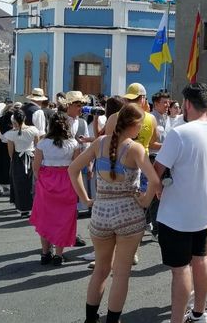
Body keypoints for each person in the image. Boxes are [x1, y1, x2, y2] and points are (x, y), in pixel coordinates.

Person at [68, 103, 160, 323]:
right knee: (121, 273)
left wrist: (86, 200)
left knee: (100, 269)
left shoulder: (99, 143)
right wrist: (145, 201)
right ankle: (112, 319)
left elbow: (72, 170)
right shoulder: (135, 148)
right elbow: (155, 181)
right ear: (134, 125)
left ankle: (90, 319)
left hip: (100, 213)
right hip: (129, 213)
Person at [153, 83, 207, 323]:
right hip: (205, 209)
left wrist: (153, 191)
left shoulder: (180, 132)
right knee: (200, 258)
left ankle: (177, 320)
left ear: (186, 104)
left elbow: (157, 169)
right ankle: (199, 313)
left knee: (180, 269)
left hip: (177, 213)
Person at [31, 111, 81, 266]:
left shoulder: (43, 143)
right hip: (67, 180)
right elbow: (76, 166)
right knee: (64, 218)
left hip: (47, 181)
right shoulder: (73, 143)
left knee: (45, 218)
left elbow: (36, 166)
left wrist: (41, 180)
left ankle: (45, 253)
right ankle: (59, 255)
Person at [3, 108, 39, 217]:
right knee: (32, 183)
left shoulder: (11, 134)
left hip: (18, 159)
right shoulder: (33, 130)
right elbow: (38, 146)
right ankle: (35, 206)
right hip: (32, 157)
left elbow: (10, 151)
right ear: (24, 118)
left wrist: (13, 159)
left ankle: (23, 209)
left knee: (19, 184)